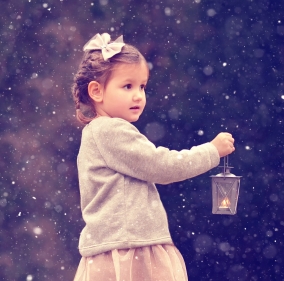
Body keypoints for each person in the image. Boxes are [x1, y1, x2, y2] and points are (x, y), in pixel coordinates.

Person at [71, 33, 235, 281]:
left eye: (142, 86)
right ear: (96, 91)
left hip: (119, 247)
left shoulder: (99, 132)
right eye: (127, 86)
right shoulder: (110, 130)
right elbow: (162, 166)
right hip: (128, 251)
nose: (138, 95)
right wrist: (211, 151)